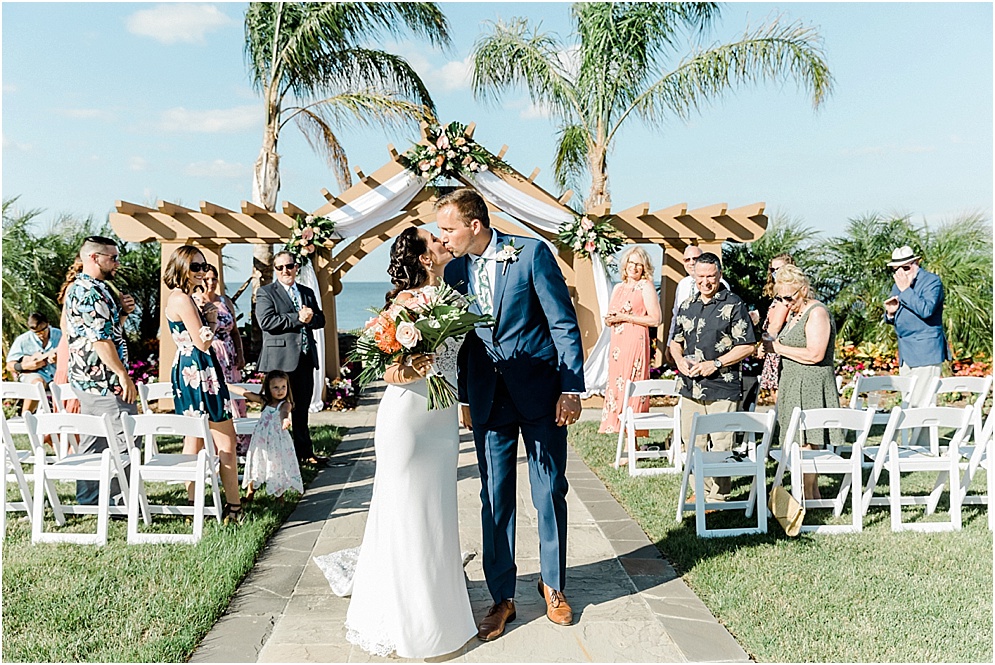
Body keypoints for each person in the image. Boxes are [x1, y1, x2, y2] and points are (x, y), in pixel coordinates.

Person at [316, 226, 476, 659]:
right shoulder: (401, 306)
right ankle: (409, 618)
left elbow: (460, 362)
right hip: (406, 418)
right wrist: (414, 367)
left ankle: (439, 607)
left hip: (440, 418)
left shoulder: (455, 300)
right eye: (435, 239)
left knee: (437, 508)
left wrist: (461, 401)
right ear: (425, 258)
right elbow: (387, 373)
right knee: (404, 508)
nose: (444, 241)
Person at [438, 188, 585, 640]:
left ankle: (554, 586)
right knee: (494, 499)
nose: (442, 238)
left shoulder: (530, 254)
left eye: (448, 229)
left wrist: (571, 387)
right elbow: (458, 340)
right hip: (487, 400)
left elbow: (562, 321)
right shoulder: (455, 271)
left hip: (541, 395)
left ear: (474, 225)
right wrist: (463, 398)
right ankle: (501, 597)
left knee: (548, 493)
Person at [163, 245, 243, 524]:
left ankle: (191, 506)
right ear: (181, 268)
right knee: (227, 442)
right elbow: (203, 341)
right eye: (195, 267)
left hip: (189, 369)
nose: (201, 271)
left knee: (194, 440)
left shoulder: (181, 298)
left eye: (203, 266)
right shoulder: (183, 299)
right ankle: (234, 507)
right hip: (200, 372)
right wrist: (209, 319)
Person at [668, 252, 756, 503]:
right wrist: (679, 360)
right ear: (693, 276)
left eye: (711, 277)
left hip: (722, 386)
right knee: (692, 442)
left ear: (720, 275)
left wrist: (715, 363)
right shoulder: (687, 305)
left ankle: (719, 497)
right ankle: (701, 491)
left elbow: (748, 346)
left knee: (721, 444)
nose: (706, 282)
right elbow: (675, 342)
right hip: (690, 387)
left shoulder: (734, 304)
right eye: (701, 277)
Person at [64, 236, 138, 505]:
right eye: (112, 257)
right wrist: (122, 375)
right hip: (104, 380)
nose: (117, 262)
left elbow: (103, 330)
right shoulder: (90, 292)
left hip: (86, 379)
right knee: (125, 438)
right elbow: (100, 341)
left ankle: (88, 499)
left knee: (93, 439)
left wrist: (123, 314)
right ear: (94, 258)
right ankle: (122, 501)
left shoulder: (88, 288)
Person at [763, 265, 842, 499]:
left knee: (808, 442)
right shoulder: (793, 311)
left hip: (811, 384)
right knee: (798, 441)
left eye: (789, 297)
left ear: (804, 289)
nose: (786, 302)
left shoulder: (817, 312)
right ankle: (811, 495)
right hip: (792, 381)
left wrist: (777, 348)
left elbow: (815, 354)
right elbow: (774, 333)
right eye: (780, 297)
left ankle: (807, 497)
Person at [255, 251, 327, 467]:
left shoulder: (306, 292)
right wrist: (298, 318)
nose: (285, 271)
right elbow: (267, 322)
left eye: (289, 266)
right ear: (275, 270)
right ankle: (275, 458)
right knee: (277, 409)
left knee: (302, 407)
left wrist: (311, 317)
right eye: (280, 267)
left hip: (305, 357)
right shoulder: (266, 293)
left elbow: (320, 319)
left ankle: (305, 454)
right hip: (280, 360)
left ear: (296, 267)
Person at [599, 246, 662, 436]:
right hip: (618, 344)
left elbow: (655, 319)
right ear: (625, 264)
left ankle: (631, 442)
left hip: (635, 341)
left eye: (639, 264)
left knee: (631, 386)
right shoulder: (618, 287)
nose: (634, 267)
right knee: (617, 388)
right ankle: (620, 434)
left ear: (644, 268)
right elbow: (611, 315)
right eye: (631, 263)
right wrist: (611, 319)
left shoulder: (645, 286)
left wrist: (627, 318)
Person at [883, 245, 951, 408]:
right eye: (896, 269)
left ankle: (920, 435)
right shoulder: (898, 285)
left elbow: (926, 310)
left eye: (905, 268)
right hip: (906, 352)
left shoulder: (931, 281)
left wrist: (906, 289)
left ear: (916, 263)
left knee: (922, 403)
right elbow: (899, 316)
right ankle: (910, 433)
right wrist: (891, 314)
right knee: (908, 402)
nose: (901, 273)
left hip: (925, 350)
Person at [201, 264, 249, 454]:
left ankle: (240, 443)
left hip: (229, 355)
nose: (211, 283)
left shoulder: (225, 300)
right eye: (206, 279)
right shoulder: (196, 302)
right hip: (211, 355)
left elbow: (235, 331)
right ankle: (216, 444)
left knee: (235, 397)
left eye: (214, 278)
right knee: (218, 397)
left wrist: (240, 353)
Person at [232, 371, 302, 503]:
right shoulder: (265, 402)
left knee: (276, 465)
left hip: (276, 443)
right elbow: (245, 393)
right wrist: (226, 386)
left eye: (283, 387)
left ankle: (279, 497)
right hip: (261, 442)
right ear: (268, 388)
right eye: (275, 387)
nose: (280, 390)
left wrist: (285, 420)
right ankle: (250, 493)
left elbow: (284, 413)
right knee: (256, 463)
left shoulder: (285, 404)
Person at [6, 312, 61, 414]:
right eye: (37, 332)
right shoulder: (23, 340)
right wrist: (24, 366)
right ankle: (27, 416)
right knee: (37, 384)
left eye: (43, 330)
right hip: (33, 375)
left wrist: (59, 359)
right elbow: (9, 365)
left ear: (48, 324)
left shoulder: (59, 335)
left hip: (56, 373)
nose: (41, 334)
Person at [758, 253, 796, 396]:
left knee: (780, 396)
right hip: (777, 348)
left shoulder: (785, 296)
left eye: (779, 269)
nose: (775, 273)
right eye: (773, 270)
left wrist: (763, 346)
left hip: (778, 347)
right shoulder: (782, 293)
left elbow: (776, 326)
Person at [53, 259, 84, 415]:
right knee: (70, 385)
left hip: (72, 343)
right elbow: (64, 322)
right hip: (71, 344)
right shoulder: (75, 287)